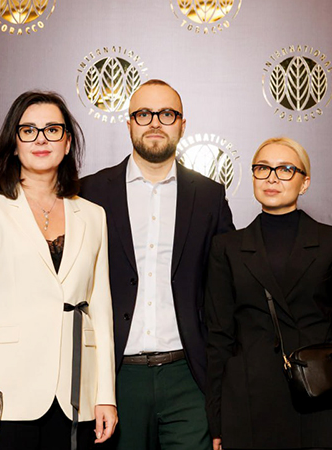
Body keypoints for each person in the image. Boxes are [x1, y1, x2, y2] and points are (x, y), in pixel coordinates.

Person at [0, 91, 117, 450]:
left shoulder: (93, 216)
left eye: (52, 130)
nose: (41, 139)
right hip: (6, 393)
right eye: (29, 130)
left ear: (67, 143)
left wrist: (105, 395)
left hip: (74, 396)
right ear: (14, 143)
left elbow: (101, 311)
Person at [79, 79, 234, 450]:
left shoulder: (209, 196)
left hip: (188, 377)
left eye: (166, 114)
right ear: (129, 123)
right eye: (143, 114)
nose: (154, 123)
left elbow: (229, 286)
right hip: (114, 379)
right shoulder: (89, 192)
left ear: (182, 124)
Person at [204, 137, 332, 450]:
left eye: (285, 169)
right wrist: (216, 420)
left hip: (320, 397)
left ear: (304, 182)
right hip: (247, 402)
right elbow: (219, 339)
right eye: (262, 168)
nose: (272, 178)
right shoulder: (226, 248)